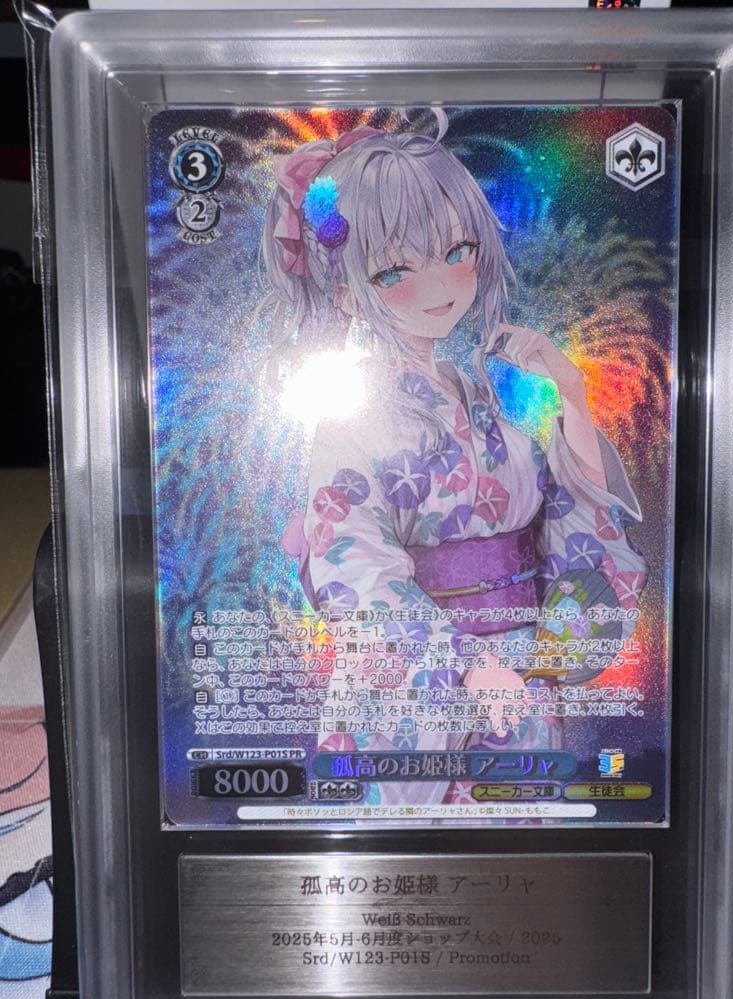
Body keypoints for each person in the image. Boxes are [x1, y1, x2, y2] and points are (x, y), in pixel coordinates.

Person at [262, 115, 647, 807]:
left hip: (518, 676)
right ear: (347, 289)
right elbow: (358, 573)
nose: (439, 284)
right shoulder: (348, 420)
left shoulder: (482, 394)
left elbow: (568, 518)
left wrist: (572, 394)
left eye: (456, 250)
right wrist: (467, 667)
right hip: (419, 692)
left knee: (521, 854)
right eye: (394, 270)